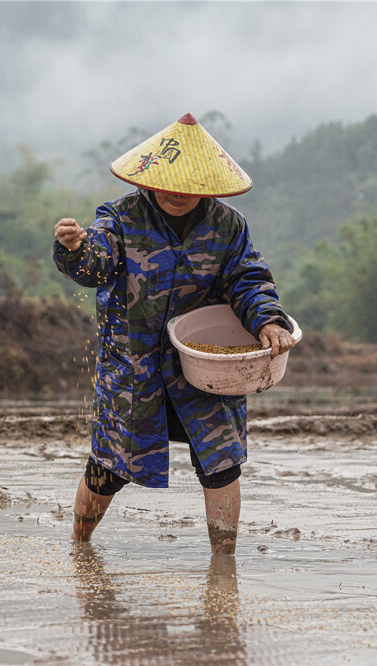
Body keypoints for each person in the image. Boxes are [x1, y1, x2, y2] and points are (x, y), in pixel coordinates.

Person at [53, 113, 296, 554]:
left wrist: (268, 321)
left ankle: (224, 565)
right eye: (168, 182)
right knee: (109, 467)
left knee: (222, 464)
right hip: (134, 369)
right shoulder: (121, 218)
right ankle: (79, 546)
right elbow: (96, 262)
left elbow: (249, 280)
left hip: (205, 368)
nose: (176, 194)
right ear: (152, 177)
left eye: (189, 185)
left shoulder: (228, 225)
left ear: (206, 182)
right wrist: (75, 249)